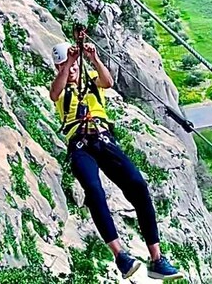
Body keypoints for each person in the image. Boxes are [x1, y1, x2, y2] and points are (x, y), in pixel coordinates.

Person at [49, 28, 182, 280]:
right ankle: (120, 255)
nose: (71, 69)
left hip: (103, 139)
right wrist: (67, 65)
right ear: (59, 67)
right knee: (94, 191)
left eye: (71, 64)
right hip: (80, 145)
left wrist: (93, 58)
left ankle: (157, 259)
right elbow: (54, 92)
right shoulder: (60, 90)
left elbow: (108, 82)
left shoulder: (90, 78)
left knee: (138, 186)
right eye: (64, 65)